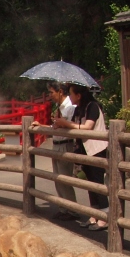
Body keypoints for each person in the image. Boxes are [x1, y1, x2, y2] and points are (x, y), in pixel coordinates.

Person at [66, 83, 108, 229]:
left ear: (79, 95)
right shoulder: (79, 109)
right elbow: (74, 125)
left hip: (97, 149)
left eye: (71, 93)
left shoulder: (93, 106)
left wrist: (66, 124)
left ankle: (104, 217)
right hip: (85, 150)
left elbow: (88, 127)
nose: (69, 96)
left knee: (97, 184)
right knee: (90, 184)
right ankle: (94, 214)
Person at [45, 81, 78, 218]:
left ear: (60, 91)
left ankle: (72, 209)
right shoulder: (59, 106)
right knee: (57, 178)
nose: (50, 95)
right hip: (56, 143)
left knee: (65, 178)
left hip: (65, 143)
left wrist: (60, 121)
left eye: (52, 92)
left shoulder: (70, 107)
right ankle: (63, 207)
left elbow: (68, 126)